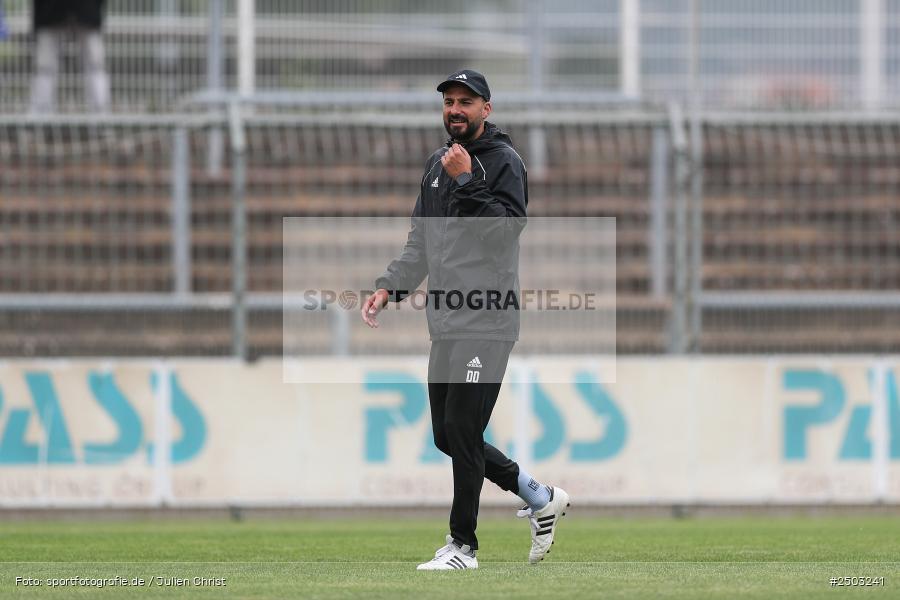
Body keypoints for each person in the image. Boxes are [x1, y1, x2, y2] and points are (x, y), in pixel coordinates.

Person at [361, 69, 569, 570]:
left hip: (489, 320)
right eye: (449, 101)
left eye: (465, 102)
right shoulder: (436, 164)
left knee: (461, 424)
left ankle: (462, 547)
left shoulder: (503, 162)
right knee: (448, 435)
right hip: (448, 321)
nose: (455, 109)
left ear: (486, 110)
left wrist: (467, 180)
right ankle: (538, 496)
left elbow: (504, 233)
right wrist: (392, 285)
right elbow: (422, 241)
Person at [30, 0, 110, 113]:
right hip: (58, 12)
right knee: (45, 68)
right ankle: (40, 114)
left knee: (95, 66)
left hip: (55, 12)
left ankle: (100, 114)